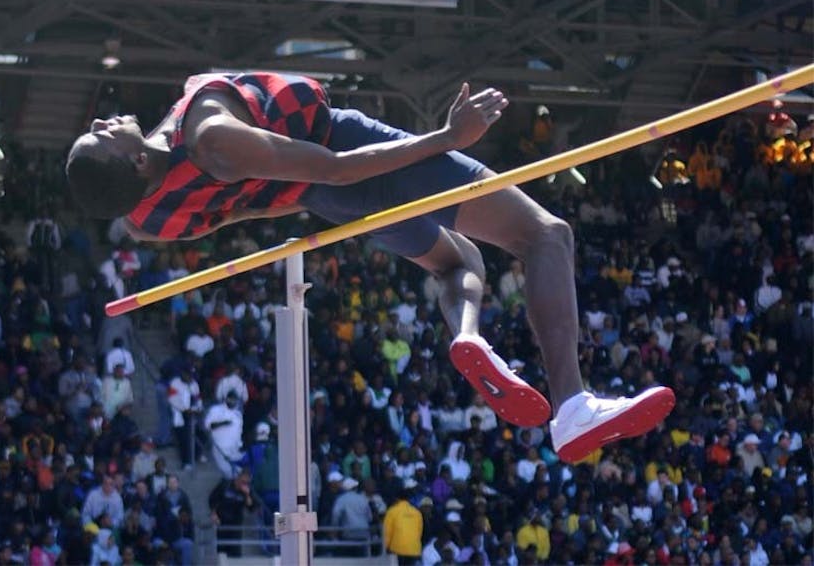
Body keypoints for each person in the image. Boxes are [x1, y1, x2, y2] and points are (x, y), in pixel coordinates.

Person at [65, 71, 675, 463]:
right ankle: (572, 407)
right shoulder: (214, 137)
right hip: (351, 156)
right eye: (102, 139)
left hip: (323, 200)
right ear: (136, 167)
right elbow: (335, 164)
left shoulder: (148, 219)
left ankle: (467, 335)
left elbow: (231, 215)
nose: (99, 122)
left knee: (457, 262)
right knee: (545, 236)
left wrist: (286, 190)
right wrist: (447, 136)